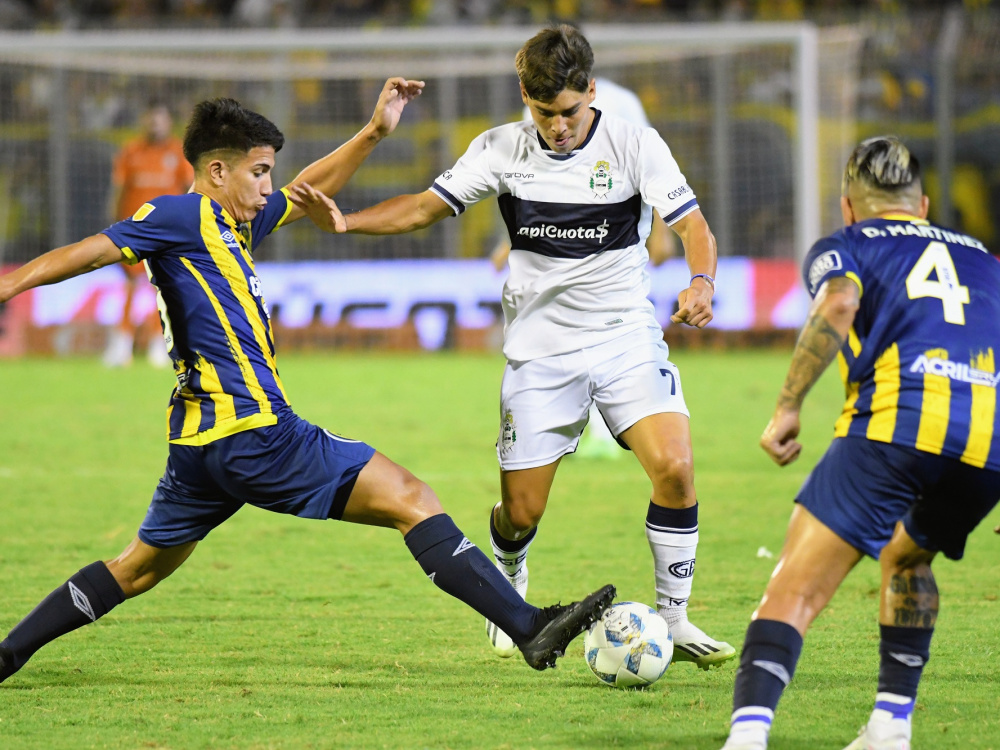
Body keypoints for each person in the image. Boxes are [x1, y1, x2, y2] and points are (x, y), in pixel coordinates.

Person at [0, 78, 616, 686]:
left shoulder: (232, 224)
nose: (269, 187)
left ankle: (6, 656)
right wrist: (9, 284)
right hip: (254, 430)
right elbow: (93, 250)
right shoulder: (178, 215)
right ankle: (527, 626)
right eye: (259, 172)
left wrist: (373, 132)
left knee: (135, 569)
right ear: (216, 171)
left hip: (199, 444)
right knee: (412, 498)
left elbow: (306, 191)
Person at [288, 25, 735, 670]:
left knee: (676, 467)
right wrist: (347, 221)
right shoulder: (500, 148)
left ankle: (674, 618)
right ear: (526, 96)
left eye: (570, 111)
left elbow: (692, 226)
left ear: (591, 92)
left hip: (625, 339)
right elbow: (424, 208)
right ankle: (511, 570)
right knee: (520, 513)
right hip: (539, 355)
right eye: (545, 112)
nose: (558, 126)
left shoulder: (636, 143)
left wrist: (702, 282)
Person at [719, 136, 1000, 750]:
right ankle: (890, 726)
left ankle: (747, 737)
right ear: (922, 205)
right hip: (987, 446)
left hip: (896, 427)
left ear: (848, 207)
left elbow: (840, 302)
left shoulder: (845, 245)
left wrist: (788, 406)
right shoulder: (984, 258)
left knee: (795, 588)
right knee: (908, 556)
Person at [488, 75, 678, 461]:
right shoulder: (537, 106)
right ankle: (566, 426)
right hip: (559, 244)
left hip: (613, 237)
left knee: (608, 328)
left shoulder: (622, 102)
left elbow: (652, 165)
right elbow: (533, 182)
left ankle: (612, 427)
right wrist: (510, 241)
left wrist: (661, 231)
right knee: (559, 333)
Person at [105, 100, 195, 367]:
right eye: (151, 117)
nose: (155, 123)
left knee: (164, 285)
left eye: (160, 118)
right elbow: (118, 190)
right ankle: (122, 344)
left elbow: (191, 188)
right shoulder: (131, 151)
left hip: (168, 231)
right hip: (133, 230)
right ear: (144, 120)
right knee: (131, 286)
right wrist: (113, 224)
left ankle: (160, 343)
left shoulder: (178, 152)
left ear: (168, 122)